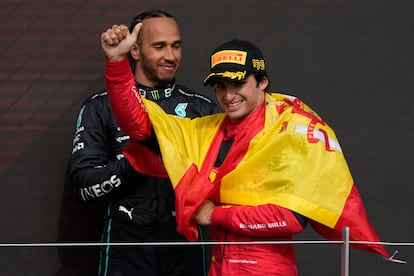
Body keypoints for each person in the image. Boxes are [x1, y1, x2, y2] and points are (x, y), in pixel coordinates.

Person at [101, 23, 391, 275]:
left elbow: (291, 218)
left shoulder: (289, 131)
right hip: (218, 267)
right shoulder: (205, 131)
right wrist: (116, 63)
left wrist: (214, 215)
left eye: (238, 84)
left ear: (262, 82)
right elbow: (139, 126)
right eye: (220, 86)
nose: (228, 96)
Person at [67, 9, 218, 276]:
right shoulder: (100, 107)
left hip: (186, 242)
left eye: (176, 46)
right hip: (127, 243)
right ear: (135, 51)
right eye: (159, 47)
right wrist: (135, 163)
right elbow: (82, 186)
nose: (170, 56)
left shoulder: (201, 108)